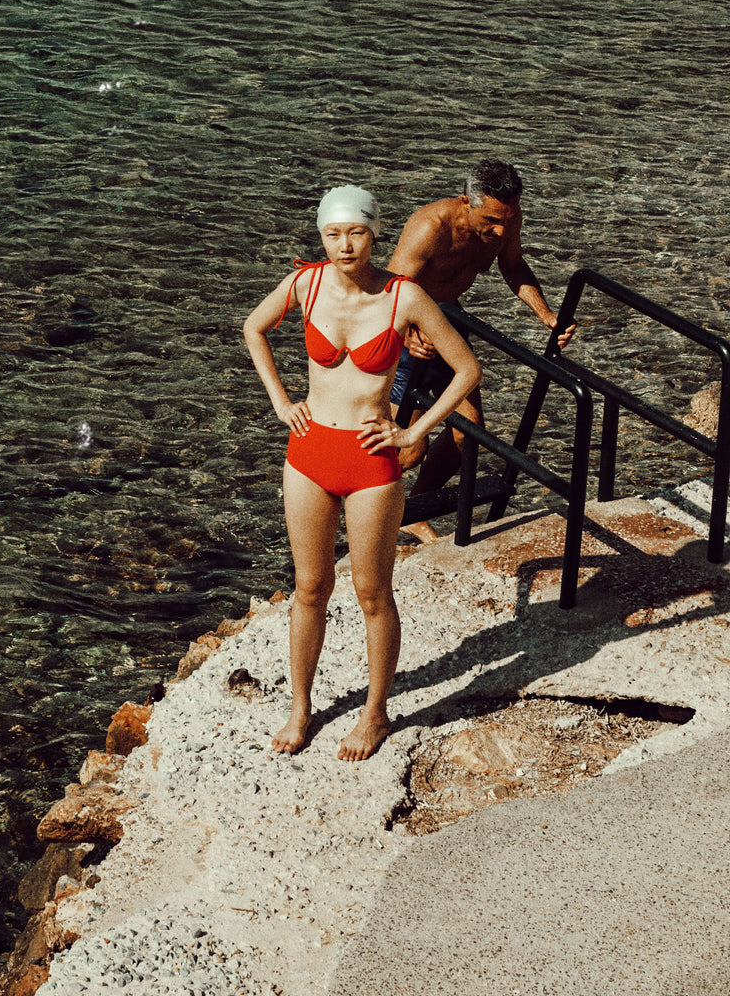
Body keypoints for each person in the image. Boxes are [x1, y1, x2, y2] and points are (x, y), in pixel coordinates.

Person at [243, 185, 480, 761]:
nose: (345, 245)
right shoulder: (306, 283)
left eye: (356, 233)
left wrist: (413, 431)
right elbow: (254, 328)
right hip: (308, 453)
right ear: (321, 236)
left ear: (374, 234)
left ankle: (375, 714)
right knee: (309, 588)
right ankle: (301, 708)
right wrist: (280, 402)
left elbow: (467, 368)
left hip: (373, 460)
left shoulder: (404, 298)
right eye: (333, 234)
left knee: (373, 593)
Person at [387, 157, 576, 543]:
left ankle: (413, 510)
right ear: (466, 202)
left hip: (449, 323)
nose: (501, 228)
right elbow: (389, 289)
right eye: (491, 219)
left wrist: (546, 314)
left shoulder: (507, 220)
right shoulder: (430, 228)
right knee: (408, 447)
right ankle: (361, 507)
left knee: (467, 434)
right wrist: (407, 332)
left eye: (508, 218)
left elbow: (513, 265)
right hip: (406, 330)